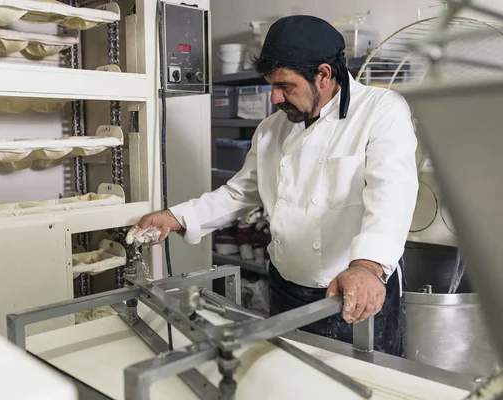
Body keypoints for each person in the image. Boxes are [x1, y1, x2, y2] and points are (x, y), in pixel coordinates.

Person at [126, 15, 418, 356]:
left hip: (351, 289)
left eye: (285, 86)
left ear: (323, 74)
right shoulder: (270, 129)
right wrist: (176, 217)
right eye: (270, 85)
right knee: (288, 379)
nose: (274, 98)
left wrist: (367, 267)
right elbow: (241, 191)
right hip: (286, 287)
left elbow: (391, 194)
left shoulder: (381, 111)